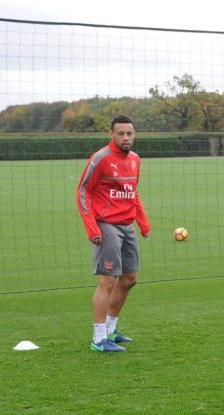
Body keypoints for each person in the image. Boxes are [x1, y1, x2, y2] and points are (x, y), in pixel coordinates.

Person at [77, 114, 150, 352]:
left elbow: (132, 192)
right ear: (112, 134)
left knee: (129, 279)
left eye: (130, 133)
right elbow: (83, 192)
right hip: (106, 225)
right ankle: (98, 339)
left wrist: (143, 222)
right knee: (107, 281)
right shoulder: (101, 158)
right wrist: (92, 227)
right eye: (121, 133)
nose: (126, 137)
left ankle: (110, 330)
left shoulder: (136, 160)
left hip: (128, 225)